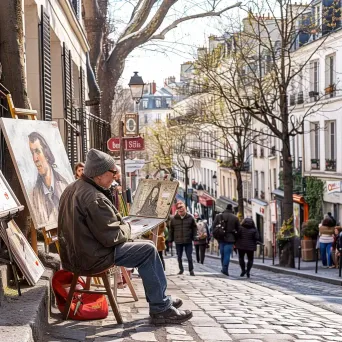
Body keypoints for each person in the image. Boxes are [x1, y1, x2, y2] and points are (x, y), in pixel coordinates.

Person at [58, 149, 192, 324]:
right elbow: (112, 236)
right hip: (92, 257)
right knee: (148, 250)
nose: (115, 177)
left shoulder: (73, 187)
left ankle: (161, 298)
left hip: (76, 255)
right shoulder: (94, 197)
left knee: (145, 248)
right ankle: (161, 307)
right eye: (112, 173)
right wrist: (128, 227)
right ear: (99, 175)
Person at [28, 131, 69, 227]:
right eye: (32, 153)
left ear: (47, 154)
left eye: (37, 151)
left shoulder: (65, 185)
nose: (35, 159)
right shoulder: (35, 194)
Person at [169, 201, 197, 276]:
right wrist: (170, 239)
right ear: (177, 210)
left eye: (182, 210)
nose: (181, 211)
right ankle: (181, 269)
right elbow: (171, 230)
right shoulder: (174, 219)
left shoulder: (190, 217)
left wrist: (195, 237)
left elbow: (194, 228)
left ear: (185, 209)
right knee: (179, 256)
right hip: (178, 240)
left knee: (189, 256)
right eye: (179, 210)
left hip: (188, 240)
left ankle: (191, 270)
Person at [212, 204, 239, 276]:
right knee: (227, 254)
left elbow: (213, 227)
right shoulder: (235, 218)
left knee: (222, 254)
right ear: (232, 209)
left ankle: (223, 268)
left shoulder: (218, 216)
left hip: (221, 237)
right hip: (230, 238)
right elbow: (238, 229)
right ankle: (225, 269)